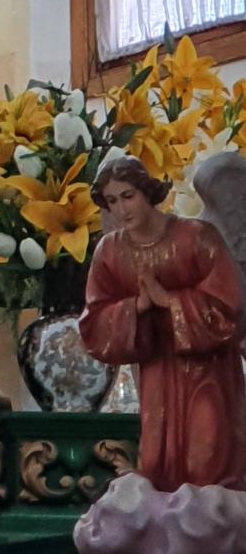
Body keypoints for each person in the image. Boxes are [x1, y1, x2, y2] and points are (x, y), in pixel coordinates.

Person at [79, 156, 246, 491]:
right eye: (112, 201)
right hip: (156, 370)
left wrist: (169, 301)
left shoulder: (197, 237)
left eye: (128, 196)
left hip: (206, 370)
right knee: (157, 464)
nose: (122, 210)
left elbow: (231, 304)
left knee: (207, 454)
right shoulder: (110, 252)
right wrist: (135, 307)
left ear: (147, 192)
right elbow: (94, 319)